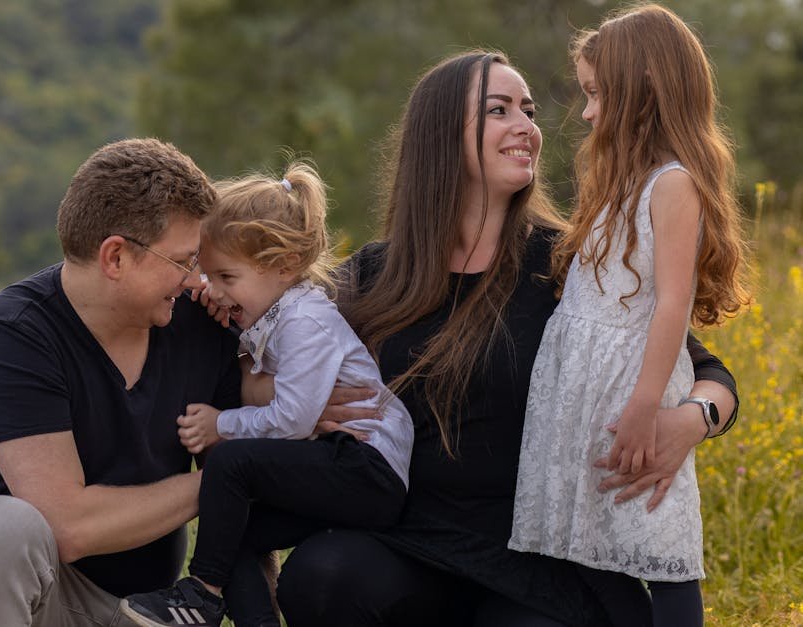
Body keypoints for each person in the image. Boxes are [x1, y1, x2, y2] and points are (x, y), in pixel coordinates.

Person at [274, 50, 739, 626]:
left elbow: (710, 372)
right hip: (408, 539)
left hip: (535, 562)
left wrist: (692, 421)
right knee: (321, 576)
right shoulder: (375, 274)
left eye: (529, 109)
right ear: (441, 136)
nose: (527, 126)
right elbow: (268, 342)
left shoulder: (573, 262)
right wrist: (306, 408)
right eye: (499, 110)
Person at [0, 138, 243, 626]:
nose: (196, 279)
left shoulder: (203, 325)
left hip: (149, 610)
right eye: (184, 261)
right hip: (36, 601)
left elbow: (244, 448)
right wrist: (227, 484)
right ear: (115, 257)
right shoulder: (14, 333)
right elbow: (65, 524)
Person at [509, 6, 749, 626]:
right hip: (581, 389)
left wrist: (646, 407)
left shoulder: (672, 183)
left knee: (659, 539)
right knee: (589, 546)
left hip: (628, 390)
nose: (586, 112)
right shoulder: (620, 178)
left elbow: (670, 301)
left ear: (641, 85)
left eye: (596, 93)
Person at [120, 162, 414, 627]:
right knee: (229, 530)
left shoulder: (305, 322)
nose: (213, 291)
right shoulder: (272, 315)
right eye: (207, 274)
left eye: (227, 278)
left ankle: (200, 594)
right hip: (339, 465)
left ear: (282, 267)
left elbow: (293, 420)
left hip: (365, 468)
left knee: (227, 462)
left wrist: (222, 424)